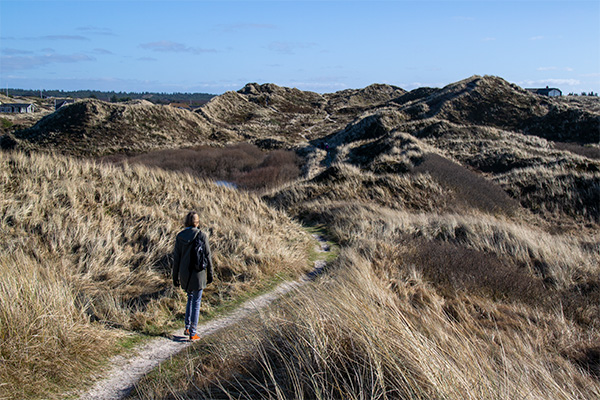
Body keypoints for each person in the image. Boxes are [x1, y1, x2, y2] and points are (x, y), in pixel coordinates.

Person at [172, 211, 213, 341]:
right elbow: (208, 256)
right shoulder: (202, 235)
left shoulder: (180, 237)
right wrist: (210, 273)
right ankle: (193, 332)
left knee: (190, 298)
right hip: (198, 273)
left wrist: (175, 276)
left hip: (184, 274)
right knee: (196, 301)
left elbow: (176, 259)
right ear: (197, 222)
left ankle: (188, 327)